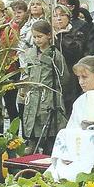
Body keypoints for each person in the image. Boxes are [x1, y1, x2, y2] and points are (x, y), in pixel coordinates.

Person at [22, 20, 70, 153]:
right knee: (32, 129)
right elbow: (26, 73)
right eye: (34, 37)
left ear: (48, 35)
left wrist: (54, 92)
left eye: (40, 36)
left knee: (49, 131)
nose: (37, 40)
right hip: (32, 97)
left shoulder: (55, 55)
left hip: (48, 98)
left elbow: (64, 77)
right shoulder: (30, 53)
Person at [51, 4, 86, 115]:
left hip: (70, 77)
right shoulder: (48, 35)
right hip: (51, 76)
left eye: (62, 15)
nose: (59, 18)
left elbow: (75, 51)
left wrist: (63, 35)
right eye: (55, 16)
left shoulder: (77, 33)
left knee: (69, 107)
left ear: (68, 17)